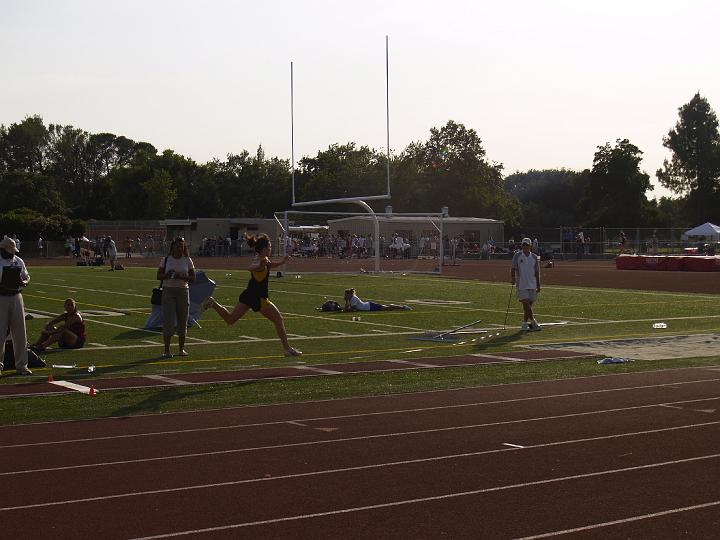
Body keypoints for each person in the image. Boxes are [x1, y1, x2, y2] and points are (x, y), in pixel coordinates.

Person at [201, 233, 302, 357]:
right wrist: (258, 266)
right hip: (259, 298)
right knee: (278, 319)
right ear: (264, 248)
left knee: (230, 320)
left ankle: (213, 303)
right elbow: (252, 267)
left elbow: (269, 265)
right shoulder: (260, 261)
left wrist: (282, 261)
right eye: (269, 247)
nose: (270, 249)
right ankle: (287, 349)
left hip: (249, 294)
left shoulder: (264, 260)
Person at [157, 237, 195, 358]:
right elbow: (158, 276)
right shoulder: (166, 259)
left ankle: (181, 349)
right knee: (168, 320)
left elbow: (193, 278)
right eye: (178, 246)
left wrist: (182, 276)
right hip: (168, 290)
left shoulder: (187, 260)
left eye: (182, 246)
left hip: (183, 291)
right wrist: (167, 275)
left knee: (182, 319)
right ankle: (167, 350)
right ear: (172, 247)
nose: (180, 248)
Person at [0, 236, 32, 375]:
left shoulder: (18, 261)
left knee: (20, 332)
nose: (12, 253)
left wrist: (24, 282)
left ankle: (22, 365)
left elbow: (26, 276)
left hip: (16, 296)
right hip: (1, 297)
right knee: (0, 332)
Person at [510, 237, 541, 332]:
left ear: (530, 246)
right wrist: (513, 278)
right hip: (521, 284)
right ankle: (534, 322)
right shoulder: (517, 256)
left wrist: (538, 284)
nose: (525, 247)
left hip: (532, 284)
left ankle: (524, 324)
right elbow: (513, 268)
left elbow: (537, 271)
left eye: (527, 245)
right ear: (521, 246)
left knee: (528, 306)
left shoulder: (534, 257)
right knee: (526, 305)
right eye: (524, 245)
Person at [343, 288, 412, 312]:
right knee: (386, 307)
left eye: (346, 294)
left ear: (349, 294)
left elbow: (353, 308)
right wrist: (346, 302)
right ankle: (402, 307)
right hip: (369, 306)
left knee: (386, 308)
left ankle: (403, 307)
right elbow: (348, 308)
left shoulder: (353, 298)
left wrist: (345, 310)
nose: (345, 296)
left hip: (370, 307)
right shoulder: (350, 299)